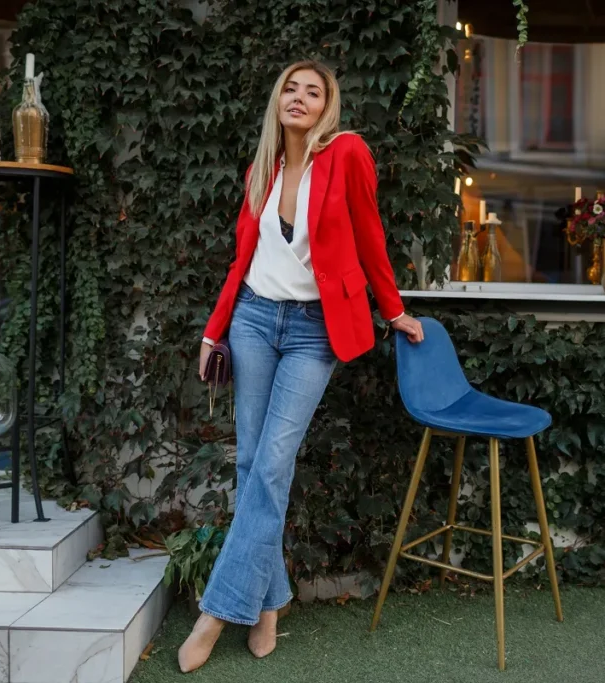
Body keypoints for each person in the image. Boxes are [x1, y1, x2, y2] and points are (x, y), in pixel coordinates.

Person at [178, 59, 424, 673]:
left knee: (273, 462)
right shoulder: (262, 169)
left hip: (316, 329)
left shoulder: (347, 154)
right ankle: (269, 604)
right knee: (250, 462)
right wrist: (213, 331)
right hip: (255, 321)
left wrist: (393, 312)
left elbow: (370, 236)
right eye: (291, 87)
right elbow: (241, 260)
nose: (299, 97)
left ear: (326, 106)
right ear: (278, 101)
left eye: (313, 91)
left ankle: (217, 611)